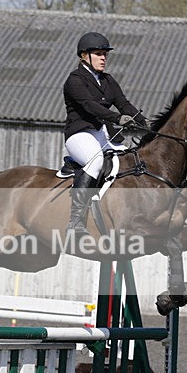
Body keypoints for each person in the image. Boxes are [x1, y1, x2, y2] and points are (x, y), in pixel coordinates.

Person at [61, 32, 148, 238]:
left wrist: (145, 123)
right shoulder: (75, 80)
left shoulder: (108, 80)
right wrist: (117, 118)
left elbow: (123, 103)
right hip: (79, 135)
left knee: (130, 160)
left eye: (105, 55)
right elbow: (90, 106)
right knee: (96, 161)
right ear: (84, 56)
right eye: (98, 54)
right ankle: (75, 221)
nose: (103, 58)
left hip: (102, 135)